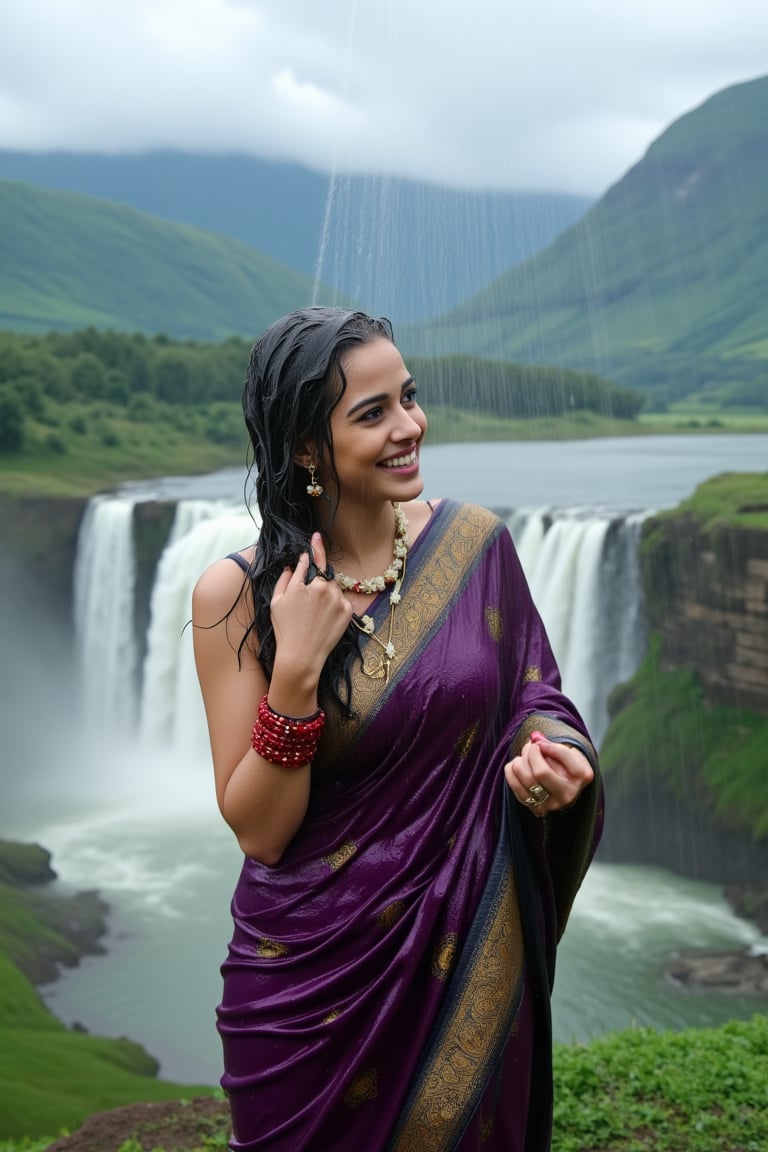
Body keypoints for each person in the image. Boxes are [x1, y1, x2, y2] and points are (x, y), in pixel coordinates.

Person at [192, 307, 603, 1152]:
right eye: (372, 413)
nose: (409, 427)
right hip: (307, 993)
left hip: (470, 950)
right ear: (307, 447)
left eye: (408, 398)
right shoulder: (233, 599)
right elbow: (261, 832)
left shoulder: (477, 545)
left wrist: (551, 759)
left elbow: (535, 693)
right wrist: (297, 675)